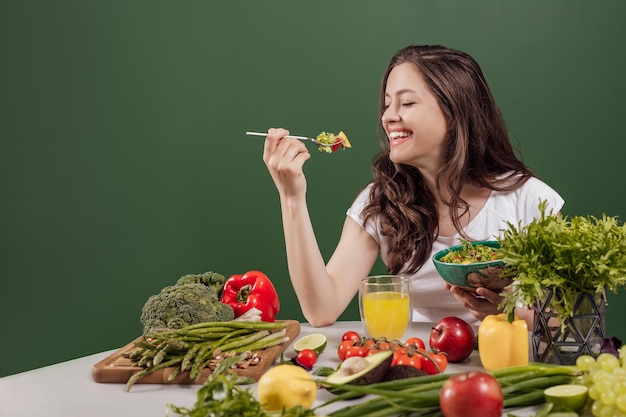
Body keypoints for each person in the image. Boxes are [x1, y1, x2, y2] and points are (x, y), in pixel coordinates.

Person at [261, 45, 564, 328]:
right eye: (387, 104)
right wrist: (291, 197)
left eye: (406, 102)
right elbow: (321, 310)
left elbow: (569, 319)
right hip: (420, 366)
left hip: (507, 367)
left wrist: (508, 312)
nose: (388, 116)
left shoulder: (528, 201)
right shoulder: (382, 201)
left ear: (455, 112)